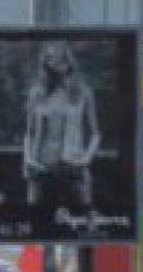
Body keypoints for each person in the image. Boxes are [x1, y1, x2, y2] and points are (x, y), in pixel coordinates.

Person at [23, 40, 101, 209]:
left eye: (59, 57)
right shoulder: (37, 94)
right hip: (41, 170)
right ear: (45, 63)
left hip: (74, 169)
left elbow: (95, 134)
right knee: (35, 226)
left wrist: (86, 159)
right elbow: (28, 133)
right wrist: (28, 158)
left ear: (68, 60)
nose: (55, 63)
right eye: (50, 58)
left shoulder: (83, 93)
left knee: (81, 224)